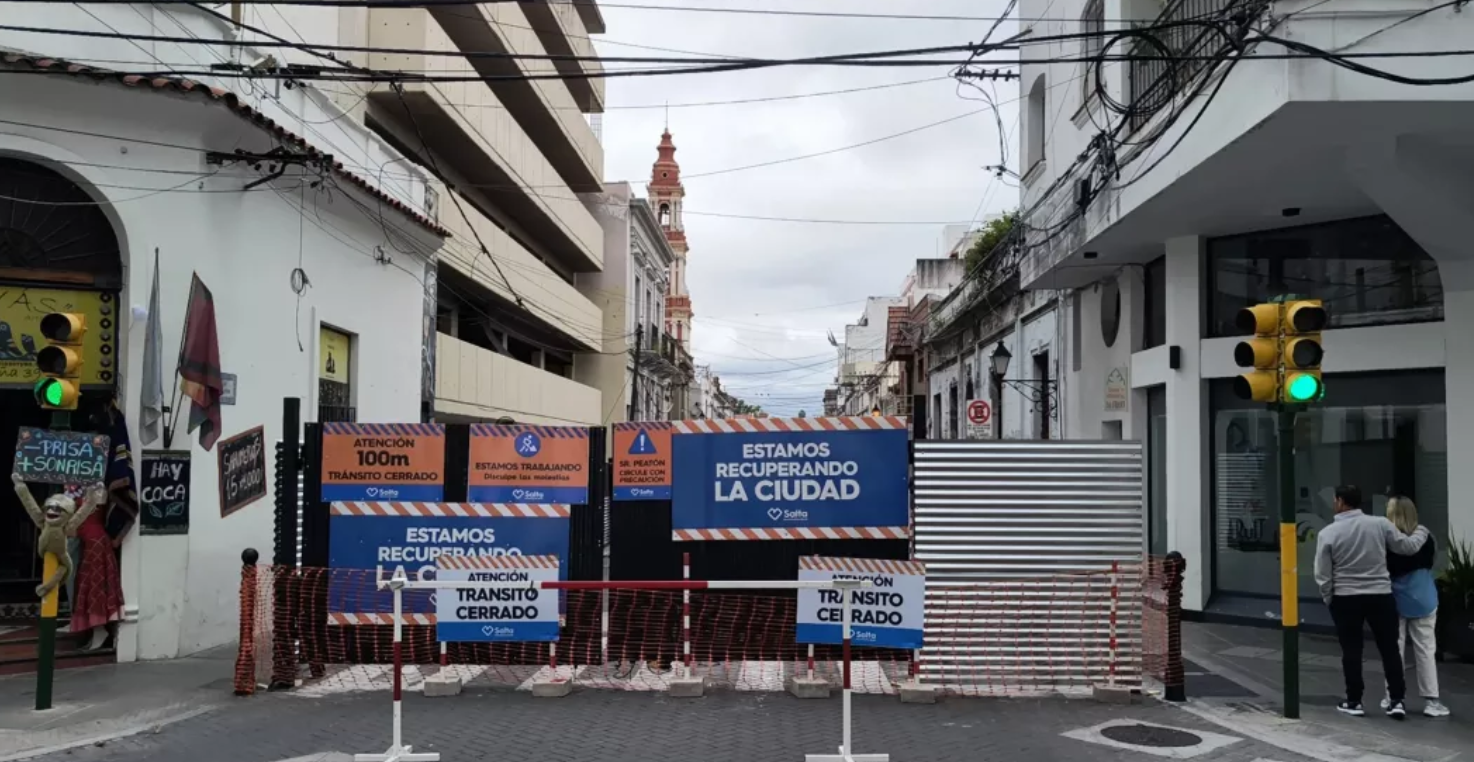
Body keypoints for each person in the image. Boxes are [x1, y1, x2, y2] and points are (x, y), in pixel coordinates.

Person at [1314, 485, 1430, 719]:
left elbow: (1323, 573)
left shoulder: (1328, 533)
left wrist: (1329, 598)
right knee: (1389, 649)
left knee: (1351, 650)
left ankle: (1354, 701)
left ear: (1340, 501)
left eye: (1335, 500)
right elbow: (1407, 547)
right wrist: (1421, 531)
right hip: (1380, 595)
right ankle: (1397, 700)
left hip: (1345, 598)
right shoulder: (1380, 524)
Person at [1383, 496, 1449, 718]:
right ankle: (1432, 700)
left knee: (1394, 650)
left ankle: (1393, 697)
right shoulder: (1427, 538)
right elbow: (1432, 561)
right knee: (1426, 650)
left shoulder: (1385, 540)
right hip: (1424, 597)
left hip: (1394, 599)